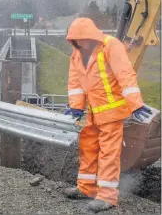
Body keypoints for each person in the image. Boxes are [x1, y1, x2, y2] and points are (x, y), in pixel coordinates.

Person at [64, 18, 152, 212]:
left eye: (83, 39)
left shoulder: (111, 46)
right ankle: (86, 188)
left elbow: (125, 74)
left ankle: (107, 197)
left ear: (92, 35)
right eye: (77, 40)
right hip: (93, 112)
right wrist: (76, 106)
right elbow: (75, 83)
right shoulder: (77, 54)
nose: (81, 43)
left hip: (112, 111)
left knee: (108, 154)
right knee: (87, 149)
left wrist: (136, 104)